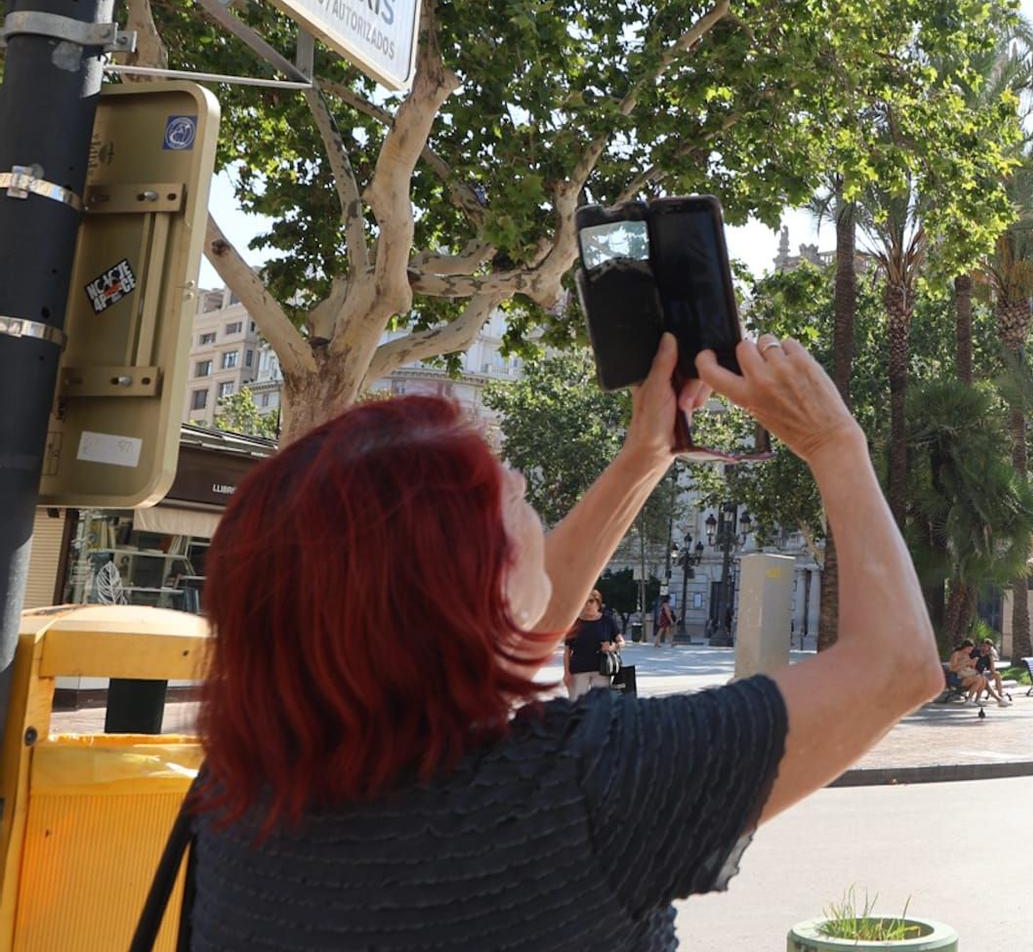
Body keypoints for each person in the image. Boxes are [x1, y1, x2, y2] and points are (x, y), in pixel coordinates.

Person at [184, 331, 940, 948]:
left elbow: (523, 630)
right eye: (504, 496)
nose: (521, 487)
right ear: (460, 589)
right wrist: (835, 442)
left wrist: (647, 454)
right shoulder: (576, 789)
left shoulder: (236, 794)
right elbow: (897, 665)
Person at [565, 590, 623, 698]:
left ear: (598, 602)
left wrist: (612, 647)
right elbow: (567, 650)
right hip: (578, 670)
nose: (587, 605)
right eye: (584, 602)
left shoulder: (607, 621)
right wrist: (566, 673)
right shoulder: (575, 623)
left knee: (599, 707)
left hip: (601, 670)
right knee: (578, 707)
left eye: (591, 601)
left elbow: (621, 642)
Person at [975, 637, 1011, 705]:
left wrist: (991, 657)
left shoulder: (987, 656)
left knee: (997, 674)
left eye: (988, 647)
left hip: (983, 673)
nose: (985, 649)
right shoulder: (975, 653)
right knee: (985, 680)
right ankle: (999, 700)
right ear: (981, 646)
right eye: (984, 646)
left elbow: (992, 670)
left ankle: (1001, 695)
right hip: (976, 674)